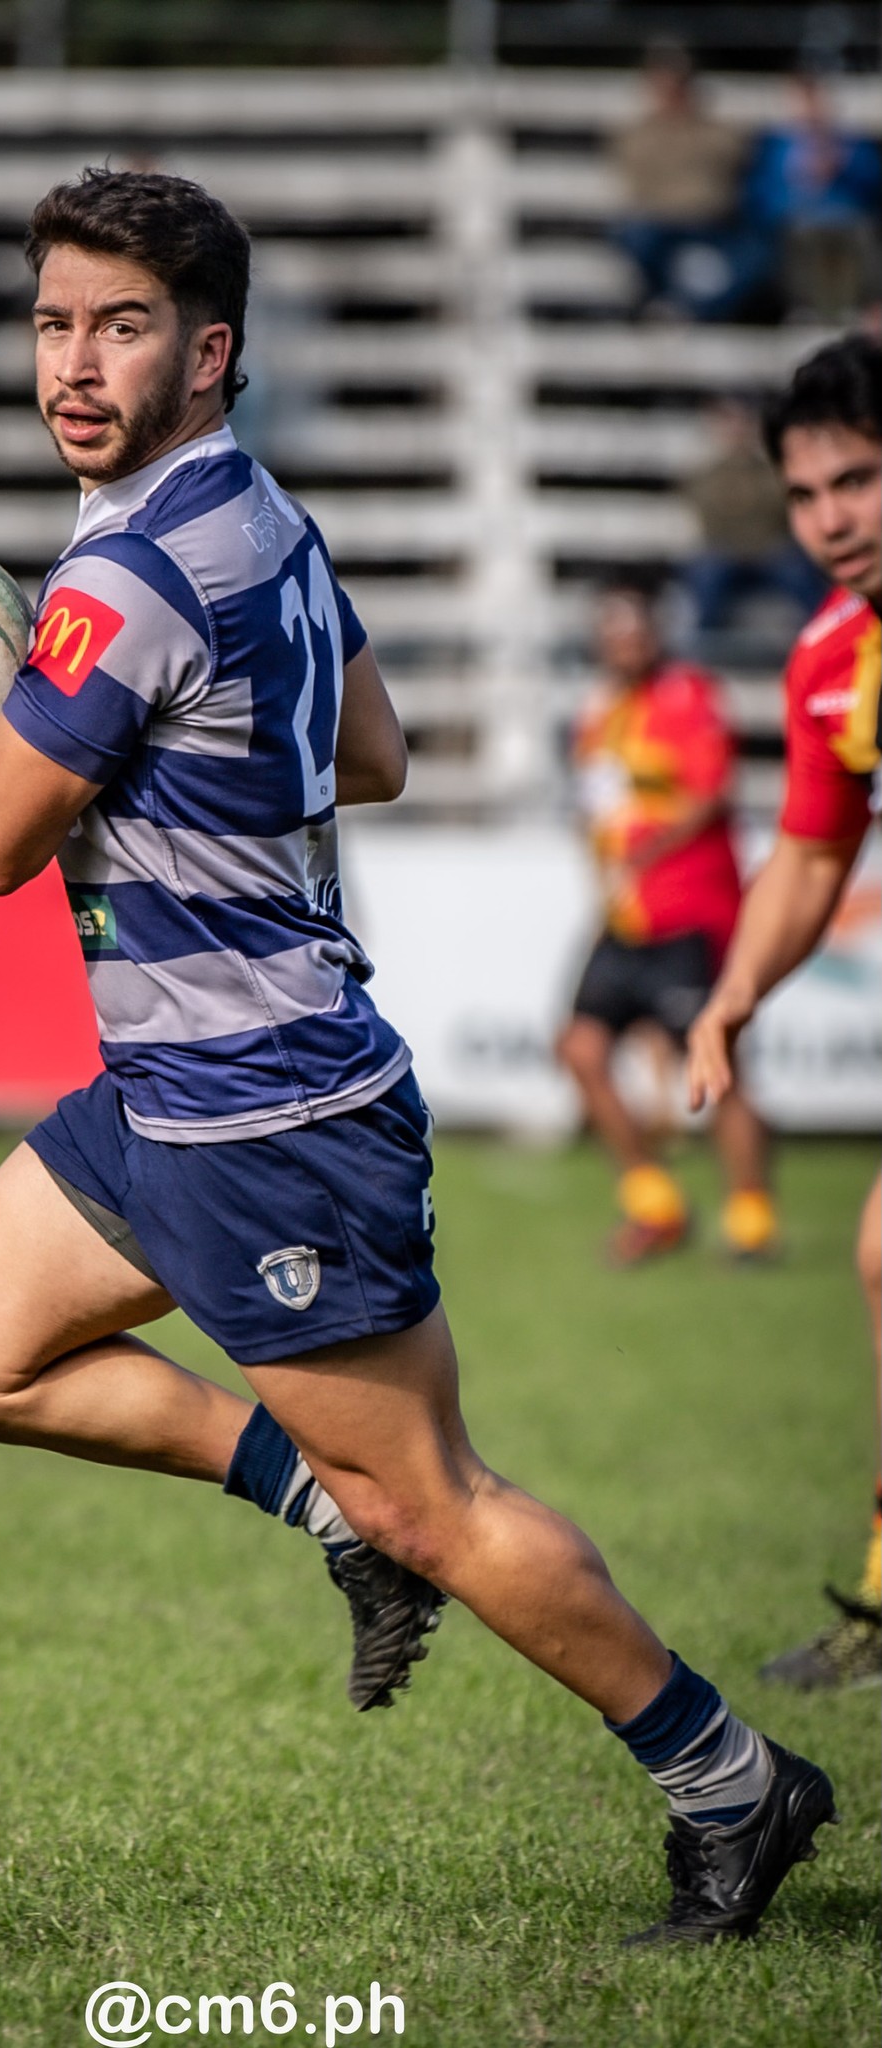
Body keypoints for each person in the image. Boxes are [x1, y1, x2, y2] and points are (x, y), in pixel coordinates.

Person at [0, 168, 835, 1942]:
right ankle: (322, 1504)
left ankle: (731, 1779)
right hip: (173, 1093)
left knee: (442, 1501)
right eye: (56, 321)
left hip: (270, 1115)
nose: (75, 361)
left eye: (121, 326)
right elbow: (370, 745)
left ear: (209, 351)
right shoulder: (259, 518)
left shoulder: (129, 571)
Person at [688, 333, 882, 1692]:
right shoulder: (827, 658)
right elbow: (812, 853)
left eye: (858, 483)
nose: (830, 520)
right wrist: (733, 996)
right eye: (806, 495)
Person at [557, 580, 778, 1265]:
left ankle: (751, 1219)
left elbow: (712, 793)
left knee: (717, 1068)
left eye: (634, 628)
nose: (623, 641)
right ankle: (655, 1204)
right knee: (579, 1049)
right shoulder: (598, 714)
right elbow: (597, 805)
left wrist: (640, 847)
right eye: (611, 629)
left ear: (653, 632)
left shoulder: (689, 695)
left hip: (689, 913)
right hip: (626, 920)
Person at [609, 43, 760, 323]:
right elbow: (640, 187)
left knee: (756, 256)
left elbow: (731, 167)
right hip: (661, 226)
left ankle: (695, 312)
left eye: (678, 82)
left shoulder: (716, 131)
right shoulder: (638, 134)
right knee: (636, 238)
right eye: (664, 81)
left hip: (711, 225)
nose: (672, 90)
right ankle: (670, 306)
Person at [682, 396, 826, 638]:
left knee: (799, 571)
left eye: (741, 422)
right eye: (728, 422)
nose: (735, 430)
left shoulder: (774, 470)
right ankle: (705, 643)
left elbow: (783, 508)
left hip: (769, 552)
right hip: (726, 553)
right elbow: (710, 515)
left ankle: (822, 632)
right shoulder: (704, 475)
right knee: (705, 573)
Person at [745, 74, 881, 325]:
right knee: (798, 234)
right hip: (795, 219)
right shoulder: (775, 145)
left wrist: (844, 166)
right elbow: (760, 194)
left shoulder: (850, 142)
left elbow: (873, 183)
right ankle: (805, 307)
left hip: (846, 218)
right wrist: (798, 188)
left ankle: (853, 306)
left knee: (858, 233)